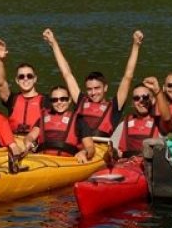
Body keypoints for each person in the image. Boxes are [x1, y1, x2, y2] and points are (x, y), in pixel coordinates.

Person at [43, 28, 143, 163]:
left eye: (97, 88)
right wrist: (53, 43)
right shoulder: (81, 100)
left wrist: (136, 45)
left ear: (105, 88)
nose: (93, 92)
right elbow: (66, 73)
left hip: (99, 150)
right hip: (77, 148)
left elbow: (128, 76)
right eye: (89, 89)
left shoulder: (114, 106)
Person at [0, 38, 51, 134]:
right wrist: (0, 59)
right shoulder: (12, 99)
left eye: (29, 76)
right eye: (21, 76)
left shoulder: (45, 100)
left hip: (35, 144)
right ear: (17, 80)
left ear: (35, 79)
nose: (25, 79)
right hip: (14, 142)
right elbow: (1, 83)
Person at [115, 77, 172, 158]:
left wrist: (157, 91)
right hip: (126, 165)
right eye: (136, 98)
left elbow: (167, 118)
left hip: (150, 167)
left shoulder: (160, 123)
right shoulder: (125, 123)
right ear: (133, 103)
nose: (141, 101)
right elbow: (113, 147)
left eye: (145, 97)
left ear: (153, 100)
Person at [22, 86, 80, 157]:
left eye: (63, 99)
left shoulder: (78, 120)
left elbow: (89, 146)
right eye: (55, 100)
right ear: (51, 102)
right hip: (45, 160)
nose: (59, 102)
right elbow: (31, 136)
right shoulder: (43, 118)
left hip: (67, 162)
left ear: (69, 100)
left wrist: (83, 152)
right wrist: (28, 141)